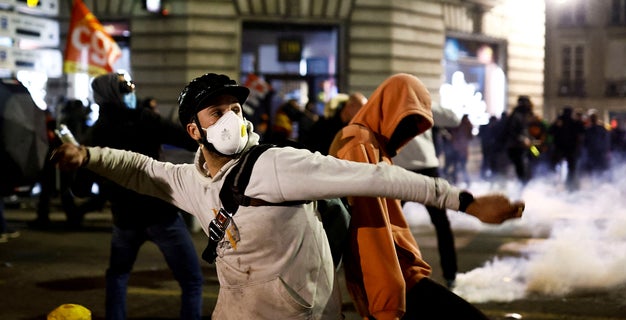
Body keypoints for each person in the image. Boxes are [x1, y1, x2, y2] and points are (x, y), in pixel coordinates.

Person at [52, 72, 524, 320]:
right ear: (194, 130)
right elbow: (139, 168)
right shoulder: (191, 180)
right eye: (218, 111)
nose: (234, 117)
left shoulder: (278, 165)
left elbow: (378, 179)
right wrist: (86, 154)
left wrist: (465, 202)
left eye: (237, 107)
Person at [328, 73, 523, 319]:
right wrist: (385, 302)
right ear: (386, 108)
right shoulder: (359, 143)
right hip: (396, 283)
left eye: (416, 124)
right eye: (407, 121)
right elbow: (369, 233)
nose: (410, 133)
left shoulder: (372, 145)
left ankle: (450, 274)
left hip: (401, 278)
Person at [85, 73, 203, 320]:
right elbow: (189, 140)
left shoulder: (97, 132)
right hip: (161, 214)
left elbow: (81, 185)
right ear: (114, 92)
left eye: (131, 86)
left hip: (124, 217)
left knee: (118, 275)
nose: (131, 91)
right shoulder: (144, 119)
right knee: (191, 281)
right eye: (125, 87)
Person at [392, 102, 461, 289]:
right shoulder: (415, 105)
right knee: (439, 224)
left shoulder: (402, 105)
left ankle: (450, 274)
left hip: (409, 169)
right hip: (414, 168)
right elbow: (454, 119)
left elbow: (454, 119)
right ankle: (450, 274)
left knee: (390, 225)